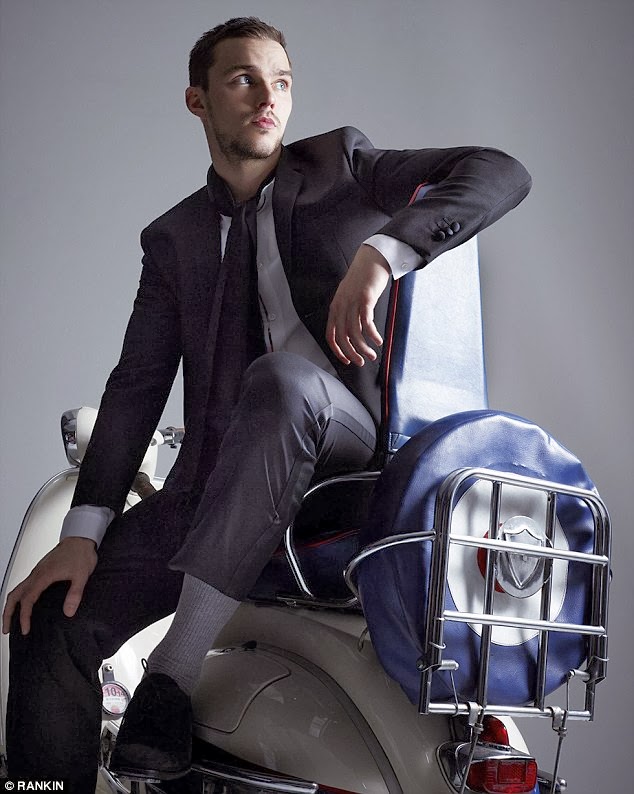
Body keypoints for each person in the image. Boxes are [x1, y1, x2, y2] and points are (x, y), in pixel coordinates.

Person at [2, 16, 531, 792]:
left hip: (340, 466)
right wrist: (83, 533)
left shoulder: (343, 166)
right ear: (198, 100)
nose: (267, 98)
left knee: (282, 380)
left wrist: (382, 254)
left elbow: (500, 171)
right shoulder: (174, 239)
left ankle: (173, 675)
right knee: (50, 615)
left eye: (280, 82)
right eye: (243, 79)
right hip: (213, 490)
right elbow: (136, 385)